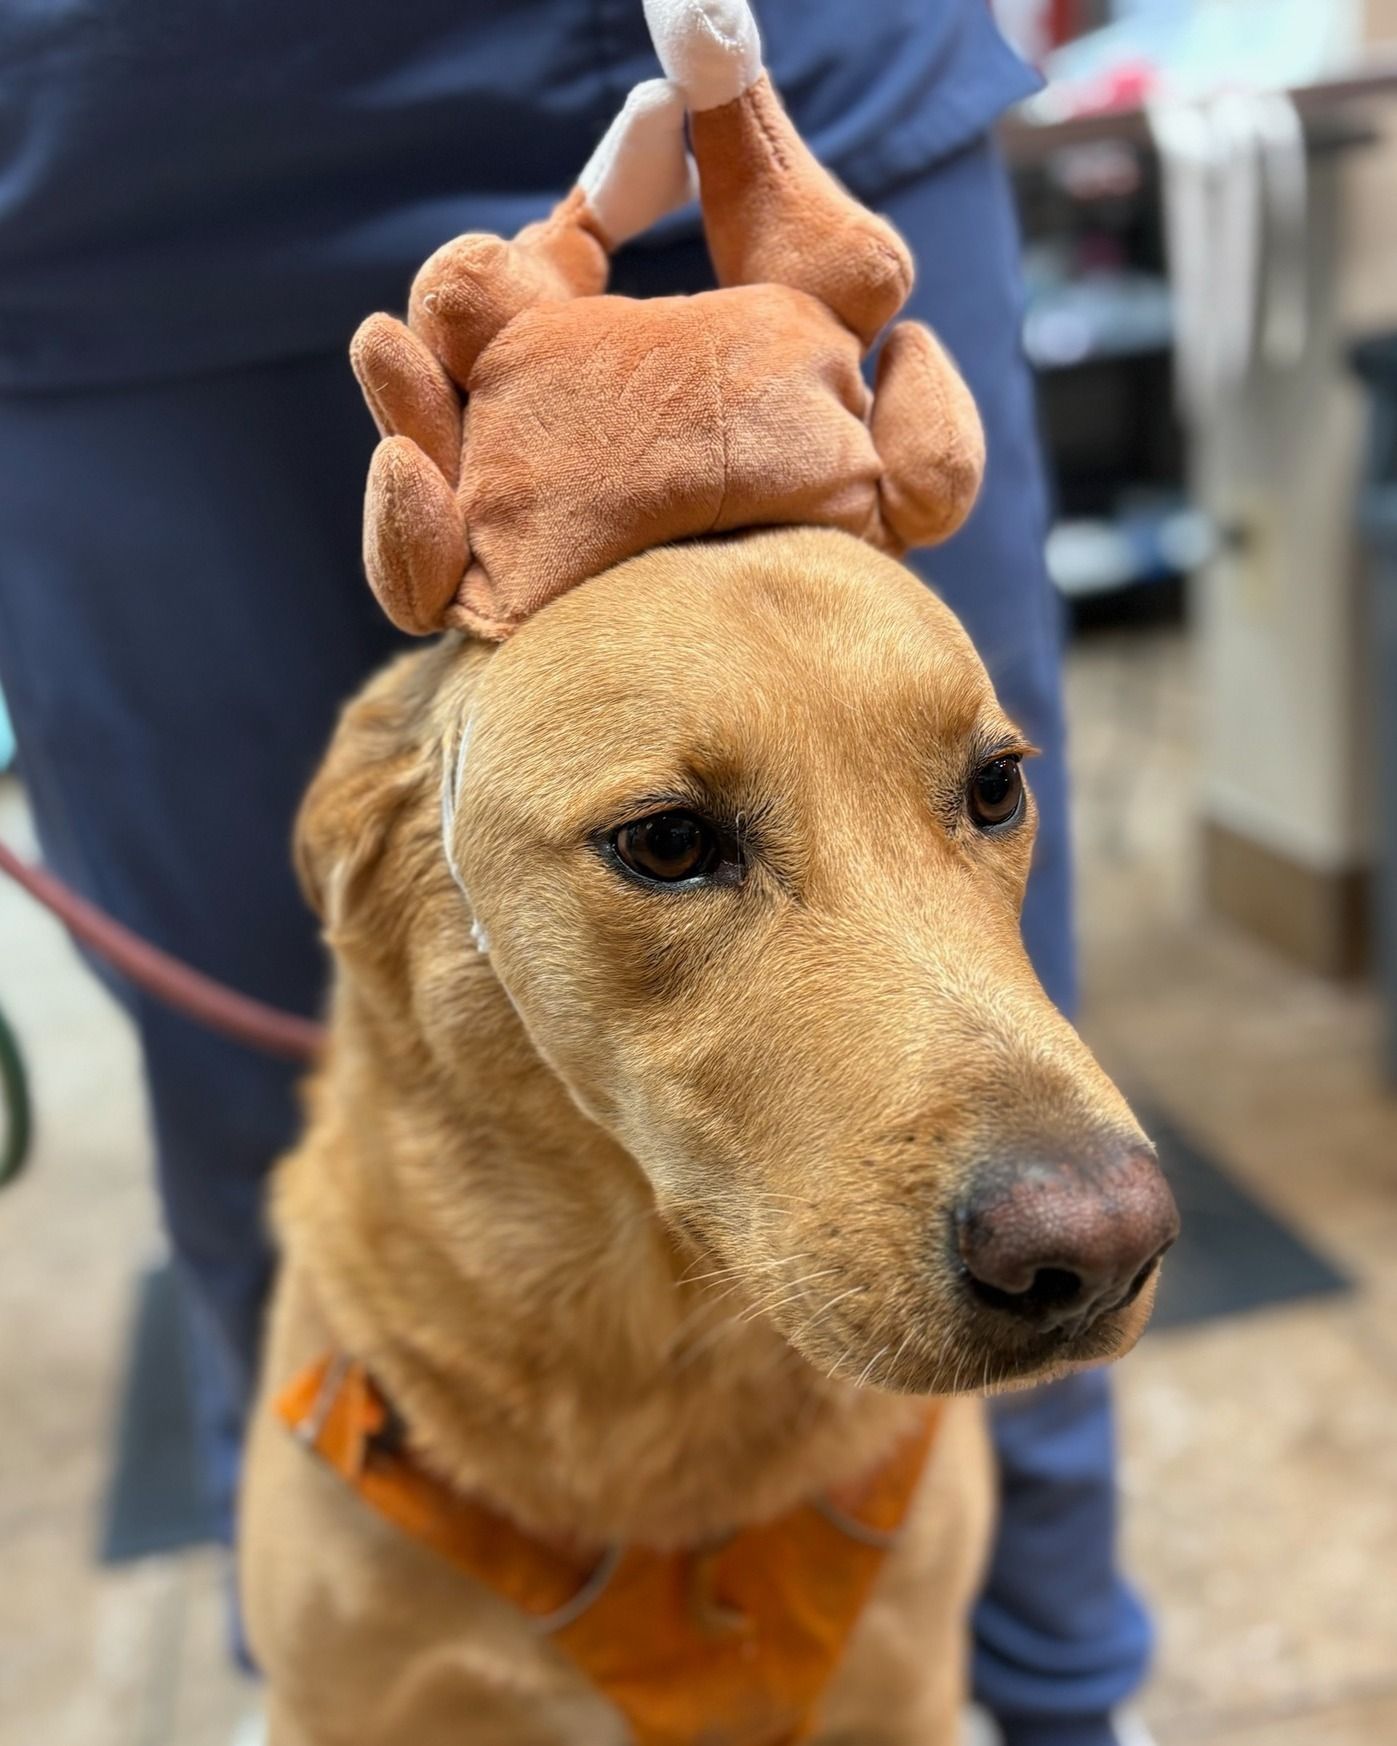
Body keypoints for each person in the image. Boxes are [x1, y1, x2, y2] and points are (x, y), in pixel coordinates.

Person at [0, 4, 1152, 1742]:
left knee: (1004, 1146)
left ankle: (1052, 1685)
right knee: (257, 1110)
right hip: (107, 170)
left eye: (994, 794)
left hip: (787, 84)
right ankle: (346, 1655)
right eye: (671, 841)